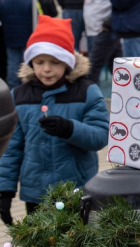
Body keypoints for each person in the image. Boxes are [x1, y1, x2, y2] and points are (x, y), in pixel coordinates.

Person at [0, 15, 108, 226]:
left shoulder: (87, 91)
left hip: (75, 189)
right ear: (31, 62)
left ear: (67, 62)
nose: (46, 69)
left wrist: (69, 129)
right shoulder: (19, 95)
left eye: (55, 62)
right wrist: (4, 190)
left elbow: (100, 136)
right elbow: (11, 148)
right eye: (39, 62)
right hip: (35, 193)